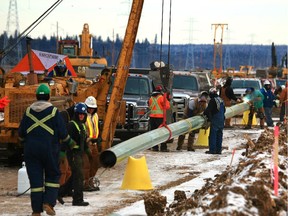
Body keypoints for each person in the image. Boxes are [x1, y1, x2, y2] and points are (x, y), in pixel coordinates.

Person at [18, 84, 75, 216]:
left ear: (36, 96)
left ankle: (36, 211)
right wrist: (70, 142)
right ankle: (48, 203)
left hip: (31, 151)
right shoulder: (54, 112)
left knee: (36, 181)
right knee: (53, 175)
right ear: (49, 97)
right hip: (49, 149)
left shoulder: (28, 111)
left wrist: (24, 143)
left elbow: (21, 133)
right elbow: (62, 133)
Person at [59, 103, 91, 206]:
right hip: (73, 154)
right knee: (79, 175)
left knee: (74, 176)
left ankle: (59, 193)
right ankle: (78, 200)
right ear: (76, 114)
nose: (81, 116)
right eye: (79, 114)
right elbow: (65, 140)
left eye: (83, 114)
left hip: (79, 153)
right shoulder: (71, 125)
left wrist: (87, 151)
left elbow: (84, 141)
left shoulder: (82, 126)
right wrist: (62, 152)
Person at [83, 96, 101, 192]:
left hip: (94, 144)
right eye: (89, 107)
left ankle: (90, 181)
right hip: (87, 142)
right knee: (86, 164)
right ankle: (85, 184)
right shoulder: (83, 116)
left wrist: (98, 138)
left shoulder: (95, 116)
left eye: (92, 108)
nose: (90, 109)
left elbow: (97, 127)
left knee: (95, 163)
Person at [203, 87, 225, 154]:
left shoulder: (213, 100)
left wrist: (206, 115)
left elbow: (208, 110)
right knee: (219, 135)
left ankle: (212, 150)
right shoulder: (221, 100)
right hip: (221, 119)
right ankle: (218, 150)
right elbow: (224, 110)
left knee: (213, 135)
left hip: (215, 119)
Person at [149, 85, 171, 152]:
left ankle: (155, 147)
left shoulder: (151, 98)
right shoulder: (162, 98)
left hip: (152, 118)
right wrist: (167, 99)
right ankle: (163, 147)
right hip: (160, 118)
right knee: (162, 133)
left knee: (154, 133)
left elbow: (150, 106)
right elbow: (167, 107)